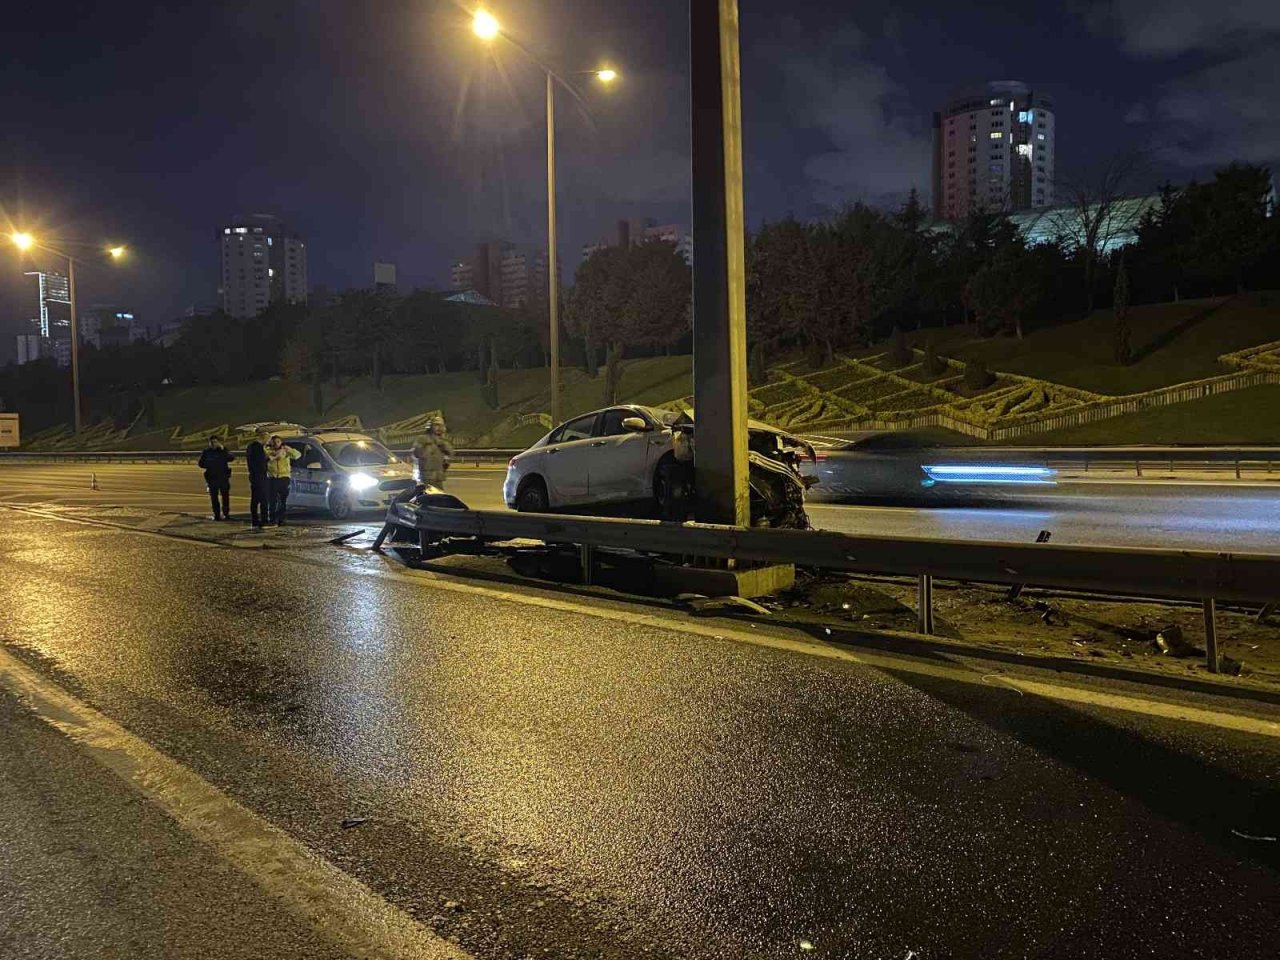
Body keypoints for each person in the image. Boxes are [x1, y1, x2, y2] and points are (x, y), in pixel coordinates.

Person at [264, 434, 301, 525]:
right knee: (272, 500)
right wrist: (275, 454)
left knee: (282, 500)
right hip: (272, 478)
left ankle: (281, 518)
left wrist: (289, 450)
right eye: (274, 442)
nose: (276, 444)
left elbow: (297, 455)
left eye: (278, 442)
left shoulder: (285, 451)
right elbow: (266, 458)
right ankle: (272, 519)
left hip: (284, 478)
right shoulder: (268, 451)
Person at [197, 434, 235, 520]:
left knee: (225, 496)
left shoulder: (222, 450)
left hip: (223, 477)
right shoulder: (207, 452)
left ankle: (226, 514)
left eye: (215, 442)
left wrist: (223, 449)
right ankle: (216, 514)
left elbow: (231, 458)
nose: (214, 443)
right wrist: (210, 464)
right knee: (214, 498)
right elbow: (200, 464)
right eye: (212, 442)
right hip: (212, 478)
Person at [411, 416, 453, 488]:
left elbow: (450, 452)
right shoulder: (422, 439)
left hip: (438, 477)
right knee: (426, 496)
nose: (438, 428)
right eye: (436, 425)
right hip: (426, 476)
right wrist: (423, 445)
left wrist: (442, 444)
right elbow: (416, 454)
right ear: (431, 427)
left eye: (440, 425)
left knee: (439, 497)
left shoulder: (443, 440)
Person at [246, 429, 271, 528]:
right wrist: (270, 458)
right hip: (260, 476)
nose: (268, 442)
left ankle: (254, 520)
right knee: (263, 499)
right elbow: (261, 463)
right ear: (264, 438)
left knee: (254, 500)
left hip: (253, 476)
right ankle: (264, 521)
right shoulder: (258, 448)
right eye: (268, 439)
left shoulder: (250, 447)